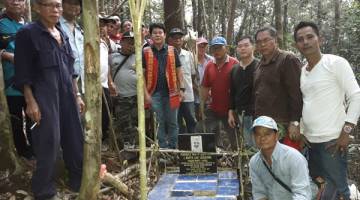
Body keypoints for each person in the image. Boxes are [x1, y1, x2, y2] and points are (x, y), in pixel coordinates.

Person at [14, 0, 85, 198]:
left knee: (74, 137)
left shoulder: (62, 33)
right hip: (44, 96)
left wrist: (77, 95)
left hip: (68, 95)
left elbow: (71, 70)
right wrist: (30, 102)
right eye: (49, 5)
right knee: (48, 141)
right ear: (36, 8)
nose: (55, 10)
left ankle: (77, 181)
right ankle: (43, 189)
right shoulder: (27, 34)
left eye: (58, 6)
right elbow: (23, 71)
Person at [294, 21, 360, 200]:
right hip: (310, 142)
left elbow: (356, 96)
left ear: (319, 39)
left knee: (339, 190)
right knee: (321, 187)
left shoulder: (335, 63)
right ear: (296, 45)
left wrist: (346, 132)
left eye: (310, 37)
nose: (305, 42)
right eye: (300, 39)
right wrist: (302, 131)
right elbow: (306, 103)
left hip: (332, 141)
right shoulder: (303, 71)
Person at [253, 26, 302, 150]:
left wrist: (295, 122)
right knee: (269, 164)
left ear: (275, 40)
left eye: (266, 40)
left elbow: (296, 94)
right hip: (263, 124)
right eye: (259, 42)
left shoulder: (287, 59)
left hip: (282, 125)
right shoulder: (260, 64)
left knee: (284, 163)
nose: (262, 44)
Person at [0, 0, 34, 159]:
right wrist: (6, 55)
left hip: (32, 83)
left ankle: (34, 151)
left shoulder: (30, 25)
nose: (15, 2)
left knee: (33, 118)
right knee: (15, 121)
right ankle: (21, 152)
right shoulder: (1, 23)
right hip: (10, 84)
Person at [249, 116, 311, 200]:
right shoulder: (254, 162)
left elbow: (302, 194)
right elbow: (259, 192)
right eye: (258, 134)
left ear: (276, 135)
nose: (262, 138)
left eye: (267, 134)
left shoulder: (294, 158)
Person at [143, 22, 184, 149]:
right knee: (158, 122)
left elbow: (179, 71)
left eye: (160, 32)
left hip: (172, 92)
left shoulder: (172, 51)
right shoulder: (145, 52)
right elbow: (142, 76)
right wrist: (145, 94)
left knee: (173, 122)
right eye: (154, 33)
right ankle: (162, 148)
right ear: (150, 35)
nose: (157, 35)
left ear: (165, 35)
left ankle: (173, 148)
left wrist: (181, 89)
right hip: (154, 93)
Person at [201, 36, 239, 150]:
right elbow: (205, 87)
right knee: (210, 134)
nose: (216, 51)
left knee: (234, 137)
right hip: (214, 108)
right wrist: (202, 107)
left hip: (230, 110)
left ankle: (238, 160)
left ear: (226, 48)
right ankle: (215, 158)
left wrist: (235, 109)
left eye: (219, 48)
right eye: (214, 48)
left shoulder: (234, 64)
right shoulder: (209, 66)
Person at [228, 36, 259, 148]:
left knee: (259, 145)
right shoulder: (234, 69)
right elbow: (232, 92)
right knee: (248, 145)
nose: (243, 48)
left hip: (257, 114)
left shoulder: (260, 66)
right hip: (241, 114)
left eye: (246, 45)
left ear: (253, 47)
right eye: (240, 46)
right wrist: (231, 112)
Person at [110, 31, 138, 148]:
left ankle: (135, 147)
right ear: (121, 42)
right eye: (127, 42)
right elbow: (106, 73)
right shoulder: (112, 57)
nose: (130, 45)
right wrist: (110, 83)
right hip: (120, 97)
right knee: (123, 123)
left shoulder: (138, 57)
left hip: (135, 96)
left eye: (132, 43)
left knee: (135, 123)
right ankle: (126, 148)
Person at [168, 28, 197, 133]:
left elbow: (193, 74)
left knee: (191, 120)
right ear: (170, 40)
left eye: (179, 38)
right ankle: (180, 145)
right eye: (174, 38)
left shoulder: (189, 55)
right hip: (173, 95)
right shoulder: (166, 54)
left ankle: (193, 144)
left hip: (188, 95)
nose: (177, 40)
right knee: (176, 121)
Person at [60, 0, 84, 94]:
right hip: (64, 80)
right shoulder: (55, 25)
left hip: (81, 81)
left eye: (76, 4)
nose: (73, 6)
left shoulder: (80, 29)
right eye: (69, 2)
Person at [194, 37, 212, 121]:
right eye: (199, 46)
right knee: (197, 124)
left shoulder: (211, 60)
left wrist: (209, 92)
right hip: (195, 99)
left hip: (210, 98)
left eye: (204, 46)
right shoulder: (191, 60)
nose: (202, 48)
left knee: (211, 123)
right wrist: (200, 92)